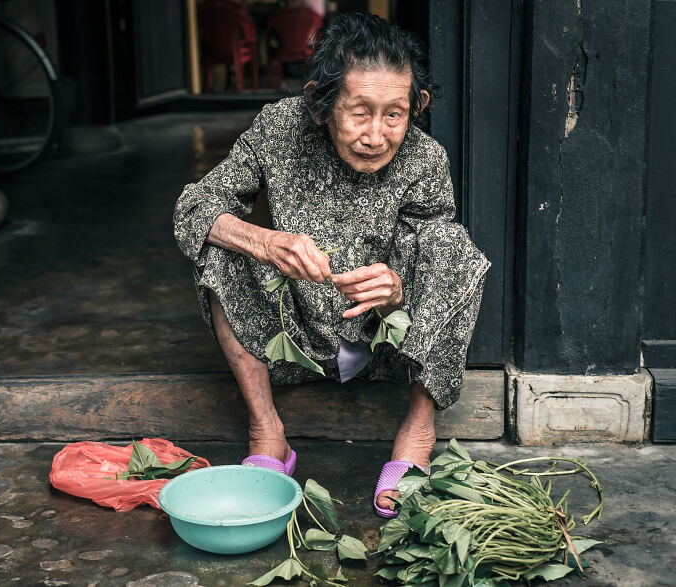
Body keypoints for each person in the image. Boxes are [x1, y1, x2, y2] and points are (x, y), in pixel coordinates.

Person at [173, 12, 490, 518]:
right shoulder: (280, 128)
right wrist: (265, 242)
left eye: (394, 115)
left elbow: (434, 266)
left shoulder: (425, 159)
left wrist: (397, 291)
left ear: (417, 106)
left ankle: (418, 430)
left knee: (452, 247)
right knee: (221, 242)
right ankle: (267, 431)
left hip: (386, 345)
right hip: (291, 339)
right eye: (359, 112)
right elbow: (192, 208)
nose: (376, 135)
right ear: (320, 104)